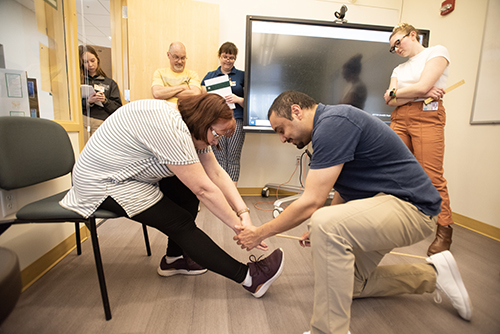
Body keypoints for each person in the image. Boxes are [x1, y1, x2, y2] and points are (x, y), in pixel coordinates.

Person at [234, 91, 472, 334]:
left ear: (296, 111)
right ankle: (434, 274)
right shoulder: (329, 127)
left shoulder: (334, 123)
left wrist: (259, 233)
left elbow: (311, 202)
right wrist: (330, 223)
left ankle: (328, 331)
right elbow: (345, 188)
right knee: (352, 284)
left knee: (324, 223)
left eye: (281, 130)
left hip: (414, 208)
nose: (283, 139)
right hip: (388, 205)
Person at [60, 94, 284, 298]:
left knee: (186, 190)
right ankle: (251, 278)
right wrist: (240, 229)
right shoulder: (170, 127)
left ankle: (174, 259)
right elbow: (204, 189)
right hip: (103, 182)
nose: (217, 142)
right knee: (180, 222)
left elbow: (215, 172)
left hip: (128, 174)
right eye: (217, 134)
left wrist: (243, 213)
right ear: (204, 121)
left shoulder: (192, 127)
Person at [384, 23, 454, 256]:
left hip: (427, 116)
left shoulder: (437, 52)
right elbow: (389, 100)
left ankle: (444, 231)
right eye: (393, 48)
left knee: (432, 175)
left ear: (413, 35)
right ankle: (394, 224)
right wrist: (419, 91)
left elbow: (412, 90)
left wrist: (402, 92)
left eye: (398, 42)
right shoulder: (398, 70)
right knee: (393, 172)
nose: (396, 49)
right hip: (399, 118)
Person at [201, 42, 245, 186]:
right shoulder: (210, 76)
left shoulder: (242, 76)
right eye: (225, 56)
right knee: (217, 157)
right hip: (215, 122)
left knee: (232, 157)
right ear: (219, 56)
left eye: (231, 57)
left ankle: (232, 194)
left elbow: (250, 104)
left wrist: (238, 99)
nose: (228, 60)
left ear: (235, 59)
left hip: (236, 120)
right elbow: (201, 98)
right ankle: (220, 192)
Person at [79, 45, 122, 142]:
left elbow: (118, 108)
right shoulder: (78, 82)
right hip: (83, 121)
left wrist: (105, 101)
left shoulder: (109, 83)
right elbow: (71, 107)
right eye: (86, 62)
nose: (90, 65)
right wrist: (88, 102)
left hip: (101, 122)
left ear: (97, 60)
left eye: (92, 60)